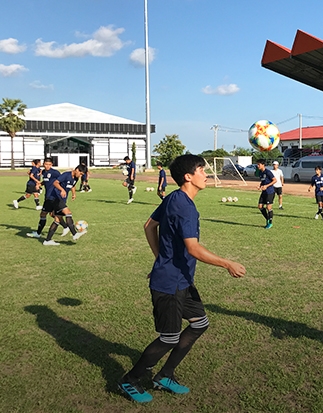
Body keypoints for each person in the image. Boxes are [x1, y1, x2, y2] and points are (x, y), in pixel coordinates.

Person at [118, 154, 246, 404]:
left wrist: (160, 259)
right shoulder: (184, 207)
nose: (206, 174)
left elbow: (148, 226)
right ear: (188, 177)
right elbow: (193, 249)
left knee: (199, 324)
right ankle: (129, 380)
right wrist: (227, 263)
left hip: (182, 280)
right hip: (169, 283)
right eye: (202, 170)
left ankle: (165, 375)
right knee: (169, 337)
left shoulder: (173, 198)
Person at [42, 164, 88, 246]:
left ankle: (47, 240)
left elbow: (72, 186)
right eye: (80, 174)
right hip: (55, 198)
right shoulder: (66, 175)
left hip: (62, 199)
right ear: (77, 170)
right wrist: (62, 189)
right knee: (68, 213)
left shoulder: (76, 178)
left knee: (57, 219)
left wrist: (74, 194)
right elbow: (55, 183)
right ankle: (74, 234)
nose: (80, 176)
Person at [27, 158, 61, 239]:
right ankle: (67, 227)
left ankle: (38, 233)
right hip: (47, 196)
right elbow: (47, 181)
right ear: (43, 164)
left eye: (49, 164)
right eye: (46, 164)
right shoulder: (44, 172)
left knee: (44, 214)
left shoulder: (55, 173)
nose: (47, 166)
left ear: (52, 165)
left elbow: (61, 181)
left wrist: (61, 191)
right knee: (53, 214)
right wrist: (40, 184)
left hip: (52, 197)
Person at [257, 159, 277, 229]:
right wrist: (260, 186)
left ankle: (270, 223)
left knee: (268, 207)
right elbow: (262, 182)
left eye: (259, 164)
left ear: (263, 165)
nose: (258, 166)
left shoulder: (268, 172)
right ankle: (268, 219)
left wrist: (266, 186)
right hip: (264, 192)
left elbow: (275, 180)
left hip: (270, 192)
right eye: (257, 164)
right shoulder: (260, 172)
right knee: (260, 206)